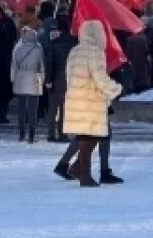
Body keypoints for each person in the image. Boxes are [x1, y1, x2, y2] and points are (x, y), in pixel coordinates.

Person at [54, 20, 123, 187]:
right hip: (91, 100)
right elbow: (100, 78)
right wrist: (115, 88)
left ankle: (77, 168)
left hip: (75, 99)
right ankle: (84, 174)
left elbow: (69, 76)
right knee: (89, 138)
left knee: (87, 137)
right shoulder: (95, 52)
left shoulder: (74, 51)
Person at [43, 15, 76, 142]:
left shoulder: (53, 43)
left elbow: (50, 62)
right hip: (70, 77)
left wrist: (49, 80)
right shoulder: (74, 43)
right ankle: (63, 133)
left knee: (53, 106)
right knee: (65, 107)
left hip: (56, 76)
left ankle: (51, 134)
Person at [11, 26, 45, 144]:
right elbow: (41, 67)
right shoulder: (38, 50)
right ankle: (31, 135)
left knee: (21, 110)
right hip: (33, 80)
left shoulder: (18, 49)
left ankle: (21, 134)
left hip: (20, 79)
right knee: (32, 110)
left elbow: (14, 66)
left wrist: (13, 79)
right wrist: (43, 80)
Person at [0, 7, 18, 125]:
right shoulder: (8, 22)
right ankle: (3, 114)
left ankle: (2, 113)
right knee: (4, 90)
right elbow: (14, 37)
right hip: (6, 59)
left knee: (0, 90)